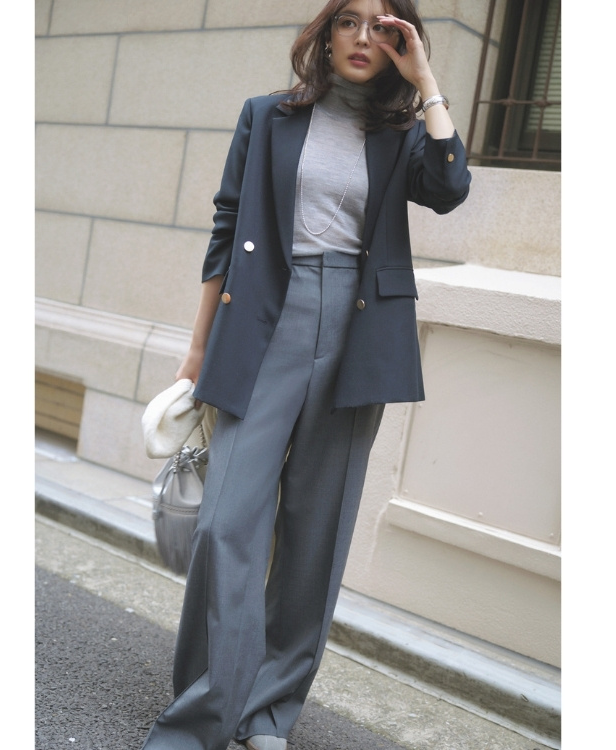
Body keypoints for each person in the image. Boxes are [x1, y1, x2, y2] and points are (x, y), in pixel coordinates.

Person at [141, 1, 470, 748]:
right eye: (349, 20)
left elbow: (450, 189)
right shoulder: (267, 117)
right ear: (324, 34)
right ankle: (203, 715)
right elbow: (227, 228)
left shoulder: (403, 132)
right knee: (226, 522)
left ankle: (267, 711)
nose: (363, 37)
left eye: (383, 28)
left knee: (315, 531)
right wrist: (197, 350)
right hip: (265, 322)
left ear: (400, 45)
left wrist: (427, 81)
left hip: (359, 330)